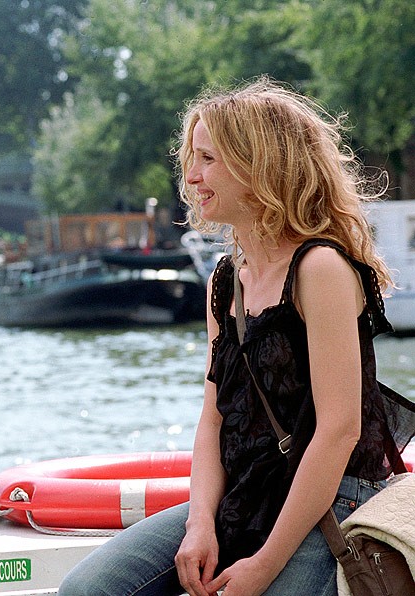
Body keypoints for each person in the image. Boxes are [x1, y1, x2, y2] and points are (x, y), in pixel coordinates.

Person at [60, 77, 398, 595]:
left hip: (330, 499)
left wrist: (264, 564)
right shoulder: (224, 281)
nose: (191, 176)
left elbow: (339, 432)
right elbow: (213, 418)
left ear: (259, 165)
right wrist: (199, 524)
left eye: (208, 159)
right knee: (89, 588)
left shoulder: (320, 269)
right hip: (245, 494)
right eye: (191, 160)